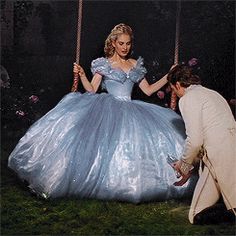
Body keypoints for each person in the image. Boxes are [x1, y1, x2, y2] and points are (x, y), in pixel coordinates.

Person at [8, 23, 195, 203]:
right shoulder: (104, 64)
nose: (125, 47)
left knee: (136, 144)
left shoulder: (134, 65)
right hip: (108, 106)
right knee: (104, 144)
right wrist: (81, 74)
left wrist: (169, 75)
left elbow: (148, 90)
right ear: (113, 43)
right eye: (121, 43)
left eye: (128, 43)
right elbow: (92, 89)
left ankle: (135, 181)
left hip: (131, 108)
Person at [167, 64, 236, 224]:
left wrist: (183, 167)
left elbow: (196, 140)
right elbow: (209, 136)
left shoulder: (187, 99)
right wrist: (187, 166)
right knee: (197, 214)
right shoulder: (213, 94)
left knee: (196, 216)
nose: (175, 94)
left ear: (177, 84)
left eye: (173, 89)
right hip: (222, 155)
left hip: (219, 158)